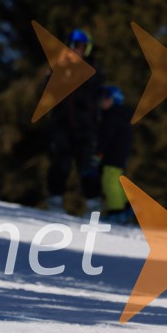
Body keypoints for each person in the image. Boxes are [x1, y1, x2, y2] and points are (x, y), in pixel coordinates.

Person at [46, 28, 104, 214]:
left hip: (86, 126)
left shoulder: (93, 70)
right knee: (60, 163)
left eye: (80, 47)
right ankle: (55, 201)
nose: (76, 50)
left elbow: (93, 91)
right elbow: (47, 92)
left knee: (87, 165)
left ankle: (93, 206)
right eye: (72, 46)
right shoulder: (58, 68)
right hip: (62, 124)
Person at [96, 86, 134, 223]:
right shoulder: (121, 116)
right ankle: (125, 208)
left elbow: (105, 137)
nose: (102, 102)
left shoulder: (113, 116)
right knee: (115, 180)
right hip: (119, 154)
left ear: (115, 100)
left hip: (113, 155)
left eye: (106, 99)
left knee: (109, 181)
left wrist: (99, 153)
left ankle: (116, 211)